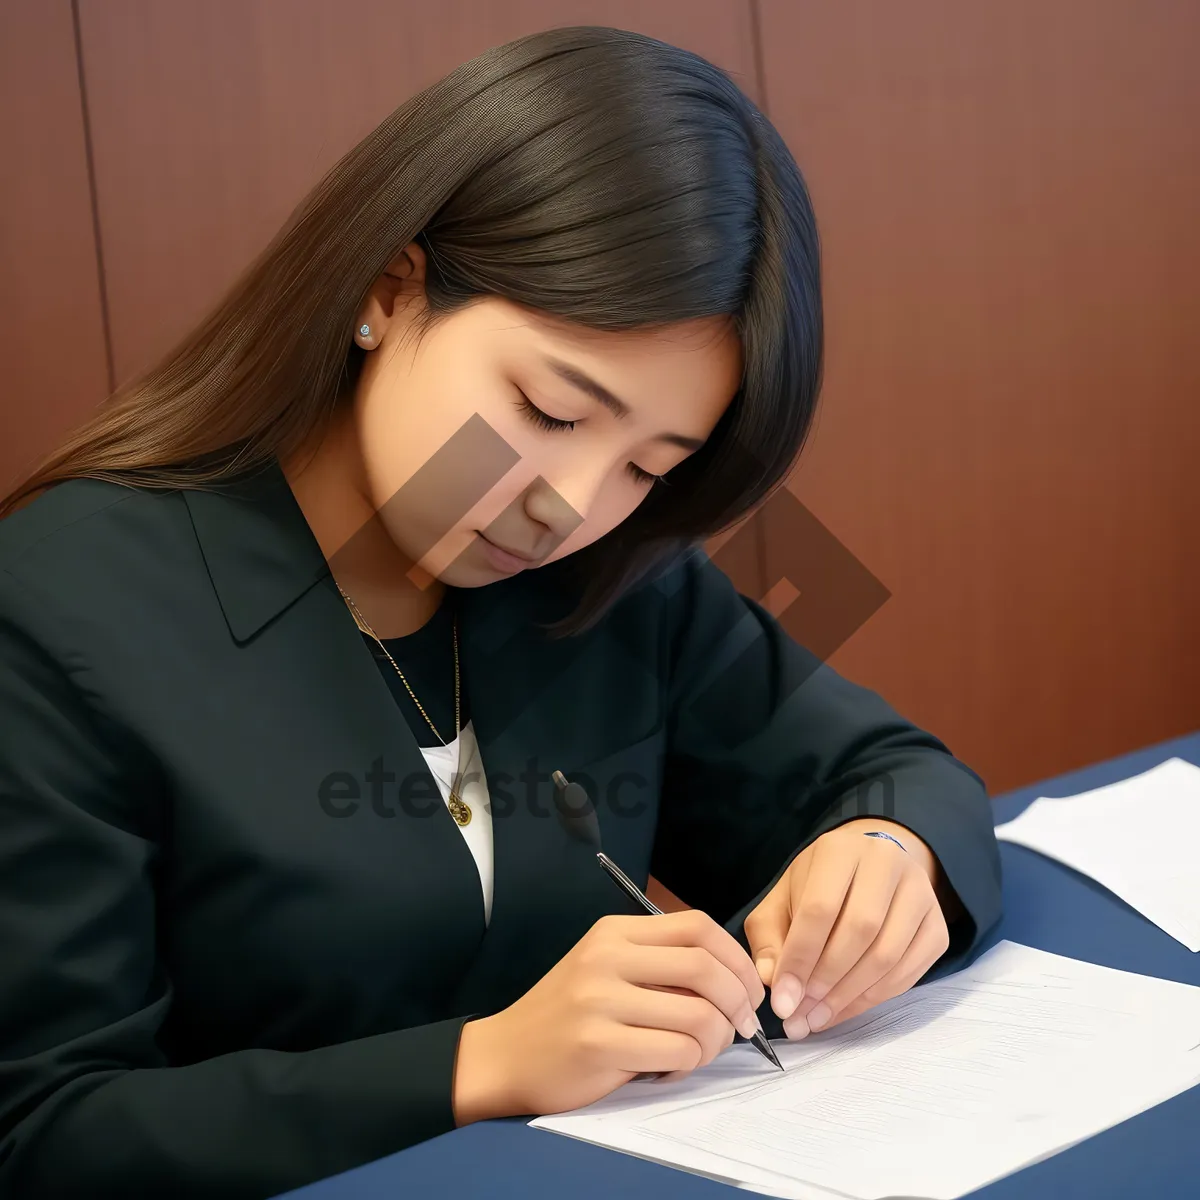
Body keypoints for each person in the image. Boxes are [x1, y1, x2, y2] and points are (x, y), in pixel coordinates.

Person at [0, 25, 1001, 1200]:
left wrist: (888, 855)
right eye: (550, 410)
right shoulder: (61, 612)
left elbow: (889, 770)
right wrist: (484, 1065)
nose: (572, 506)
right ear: (389, 287)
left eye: (651, 465)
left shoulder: (611, 578)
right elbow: (44, 1129)